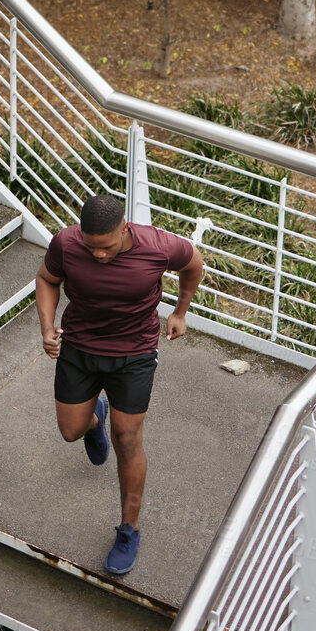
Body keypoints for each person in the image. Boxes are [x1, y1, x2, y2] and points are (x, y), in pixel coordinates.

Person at [35, 193, 204, 576]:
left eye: (106, 247)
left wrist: (180, 311)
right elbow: (47, 278)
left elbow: (193, 266)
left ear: (124, 229)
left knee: (128, 437)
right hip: (79, 346)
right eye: (91, 247)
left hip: (134, 353)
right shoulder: (66, 242)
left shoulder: (159, 246)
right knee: (70, 430)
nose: (98, 256)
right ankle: (95, 418)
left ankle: (129, 529)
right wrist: (47, 328)